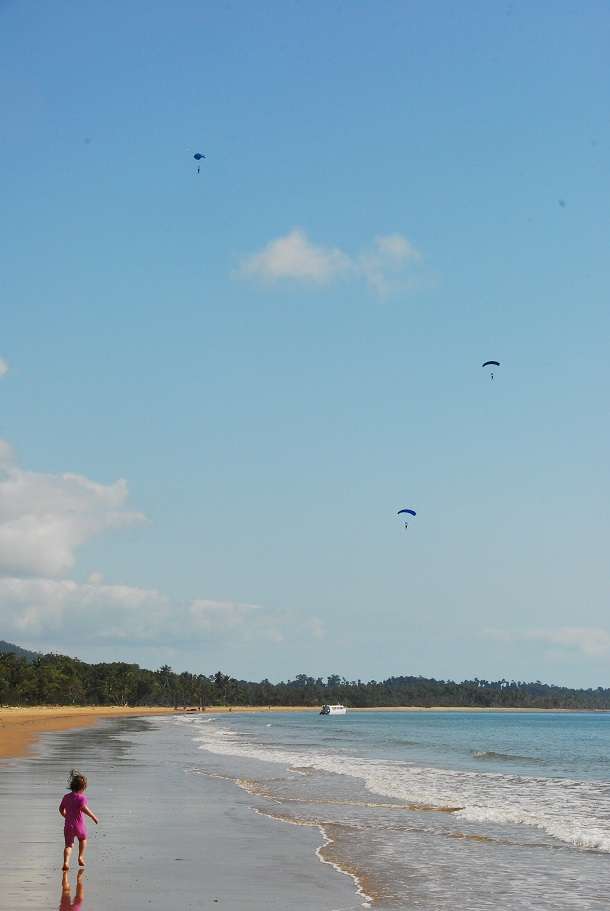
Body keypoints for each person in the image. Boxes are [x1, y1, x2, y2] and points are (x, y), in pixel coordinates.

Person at [59, 770, 99, 871]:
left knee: (68, 845)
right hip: (79, 826)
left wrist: (65, 815)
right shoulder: (81, 798)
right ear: (83, 788)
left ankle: (66, 862)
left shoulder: (66, 797)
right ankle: (81, 857)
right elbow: (83, 808)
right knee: (83, 839)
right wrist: (93, 816)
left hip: (68, 826)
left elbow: (60, 809)